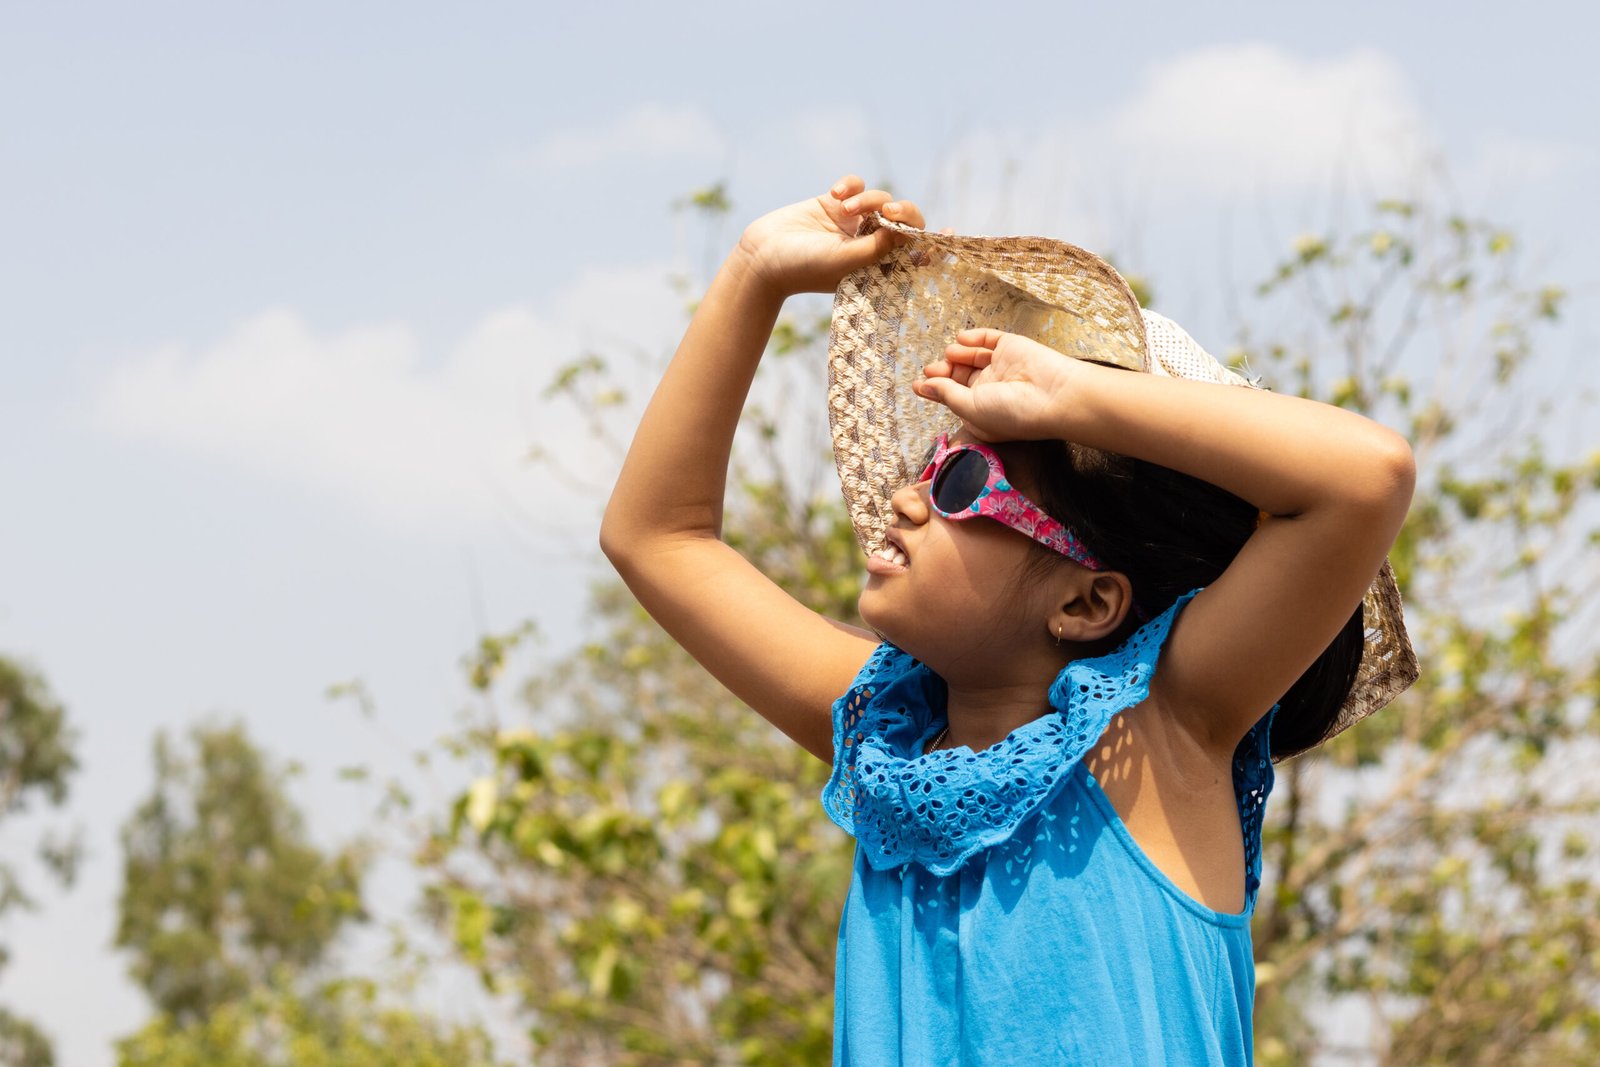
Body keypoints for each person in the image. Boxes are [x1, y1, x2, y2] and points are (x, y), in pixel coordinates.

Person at [599, 174, 1417, 1066]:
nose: (908, 501)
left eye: (960, 485)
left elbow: (1363, 477)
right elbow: (655, 537)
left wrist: (1070, 395)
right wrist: (755, 271)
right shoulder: (883, 738)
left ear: (1087, 600)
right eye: (931, 464)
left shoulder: (1164, 727)